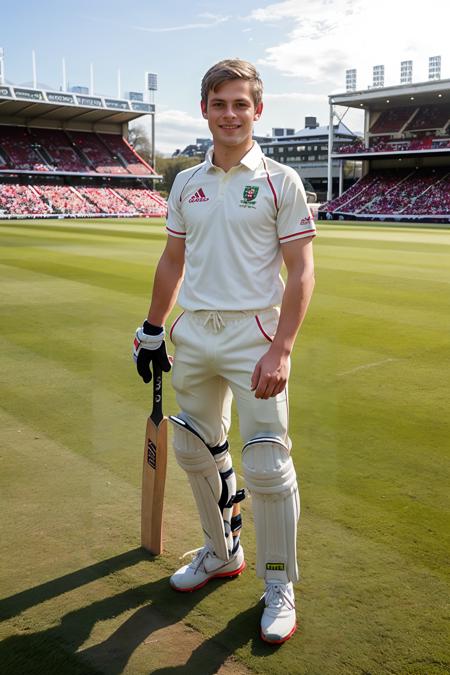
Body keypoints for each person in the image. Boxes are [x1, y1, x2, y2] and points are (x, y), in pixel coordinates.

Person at [133, 59, 316, 644]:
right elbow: (172, 260)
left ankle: (280, 585)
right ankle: (221, 551)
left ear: (257, 111)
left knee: (265, 460)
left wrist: (282, 349)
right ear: (205, 109)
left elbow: (302, 271)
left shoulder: (281, 180)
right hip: (195, 333)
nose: (230, 114)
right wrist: (154, 327)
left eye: (241, 104)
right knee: (191, 443)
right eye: (220, 103)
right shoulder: (186, 181)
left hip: (253, 335)